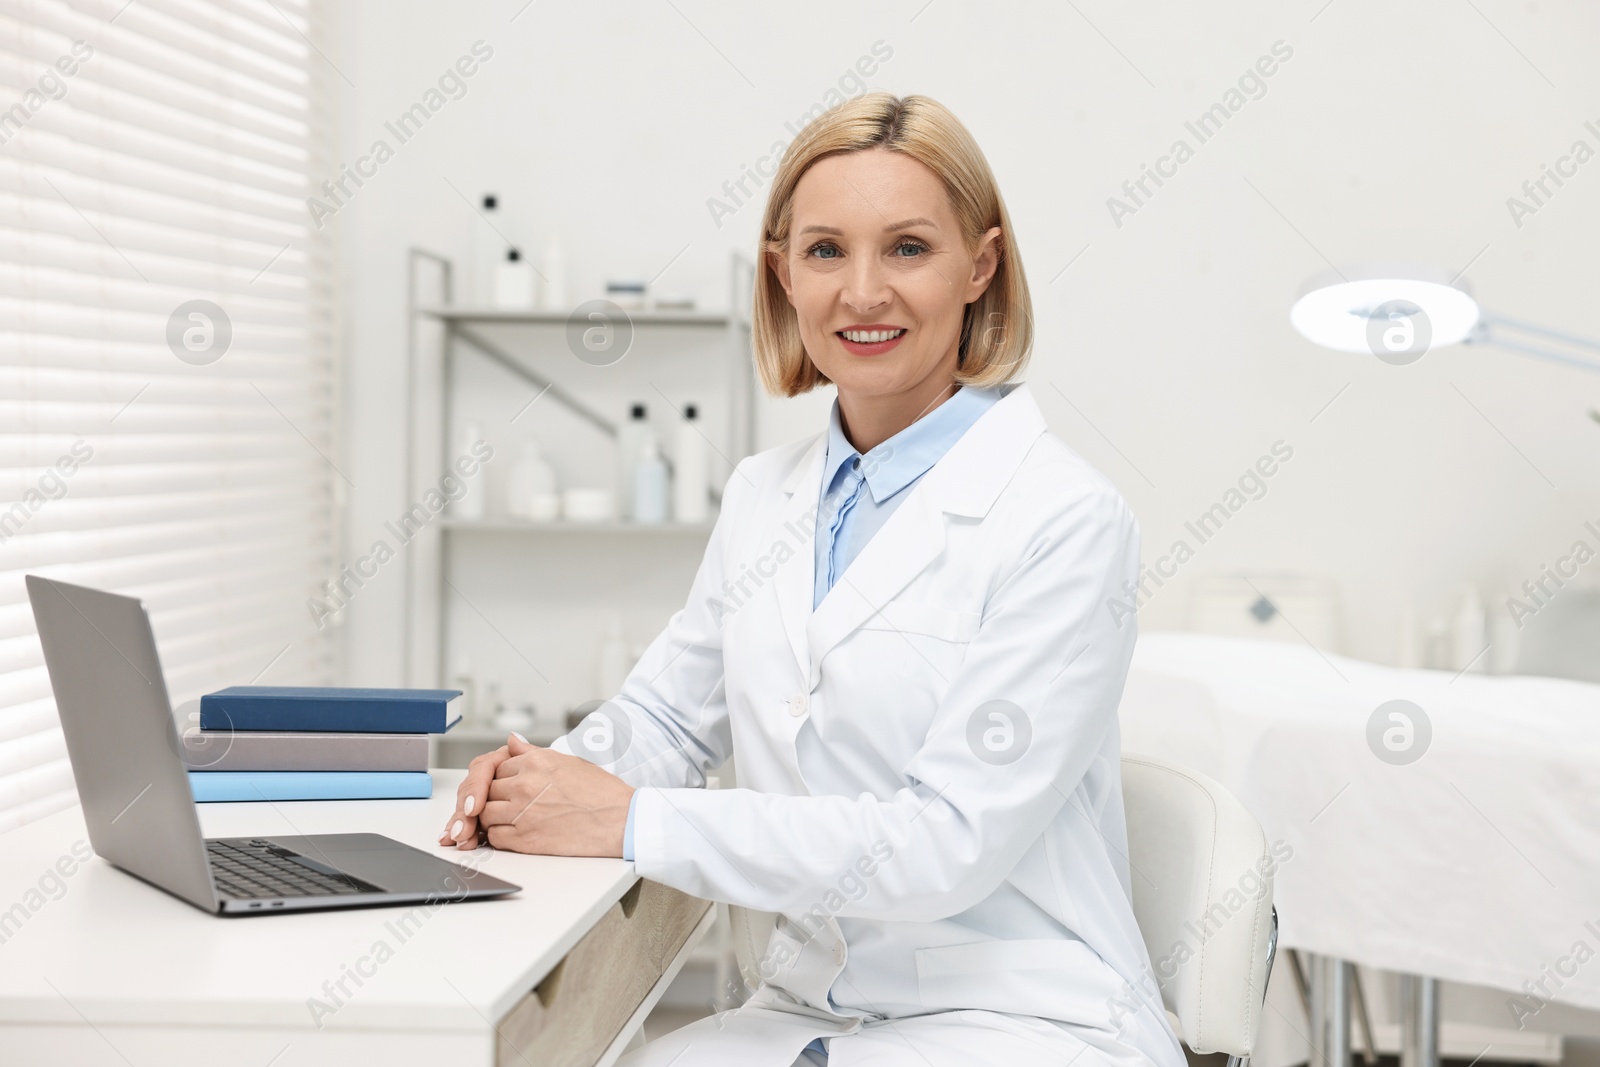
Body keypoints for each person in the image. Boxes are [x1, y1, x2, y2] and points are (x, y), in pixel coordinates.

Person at [438, 93, 1183, 1067]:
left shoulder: (1063, 518)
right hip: (810, 1006)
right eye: (826, 250)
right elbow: (664, 721)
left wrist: (628, 818)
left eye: (907, 247)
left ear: (980, 265)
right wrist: (535, 781)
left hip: (1019, 1017)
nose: (862, 292)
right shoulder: (763, 494)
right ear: (782, 271)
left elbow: (944, 840)